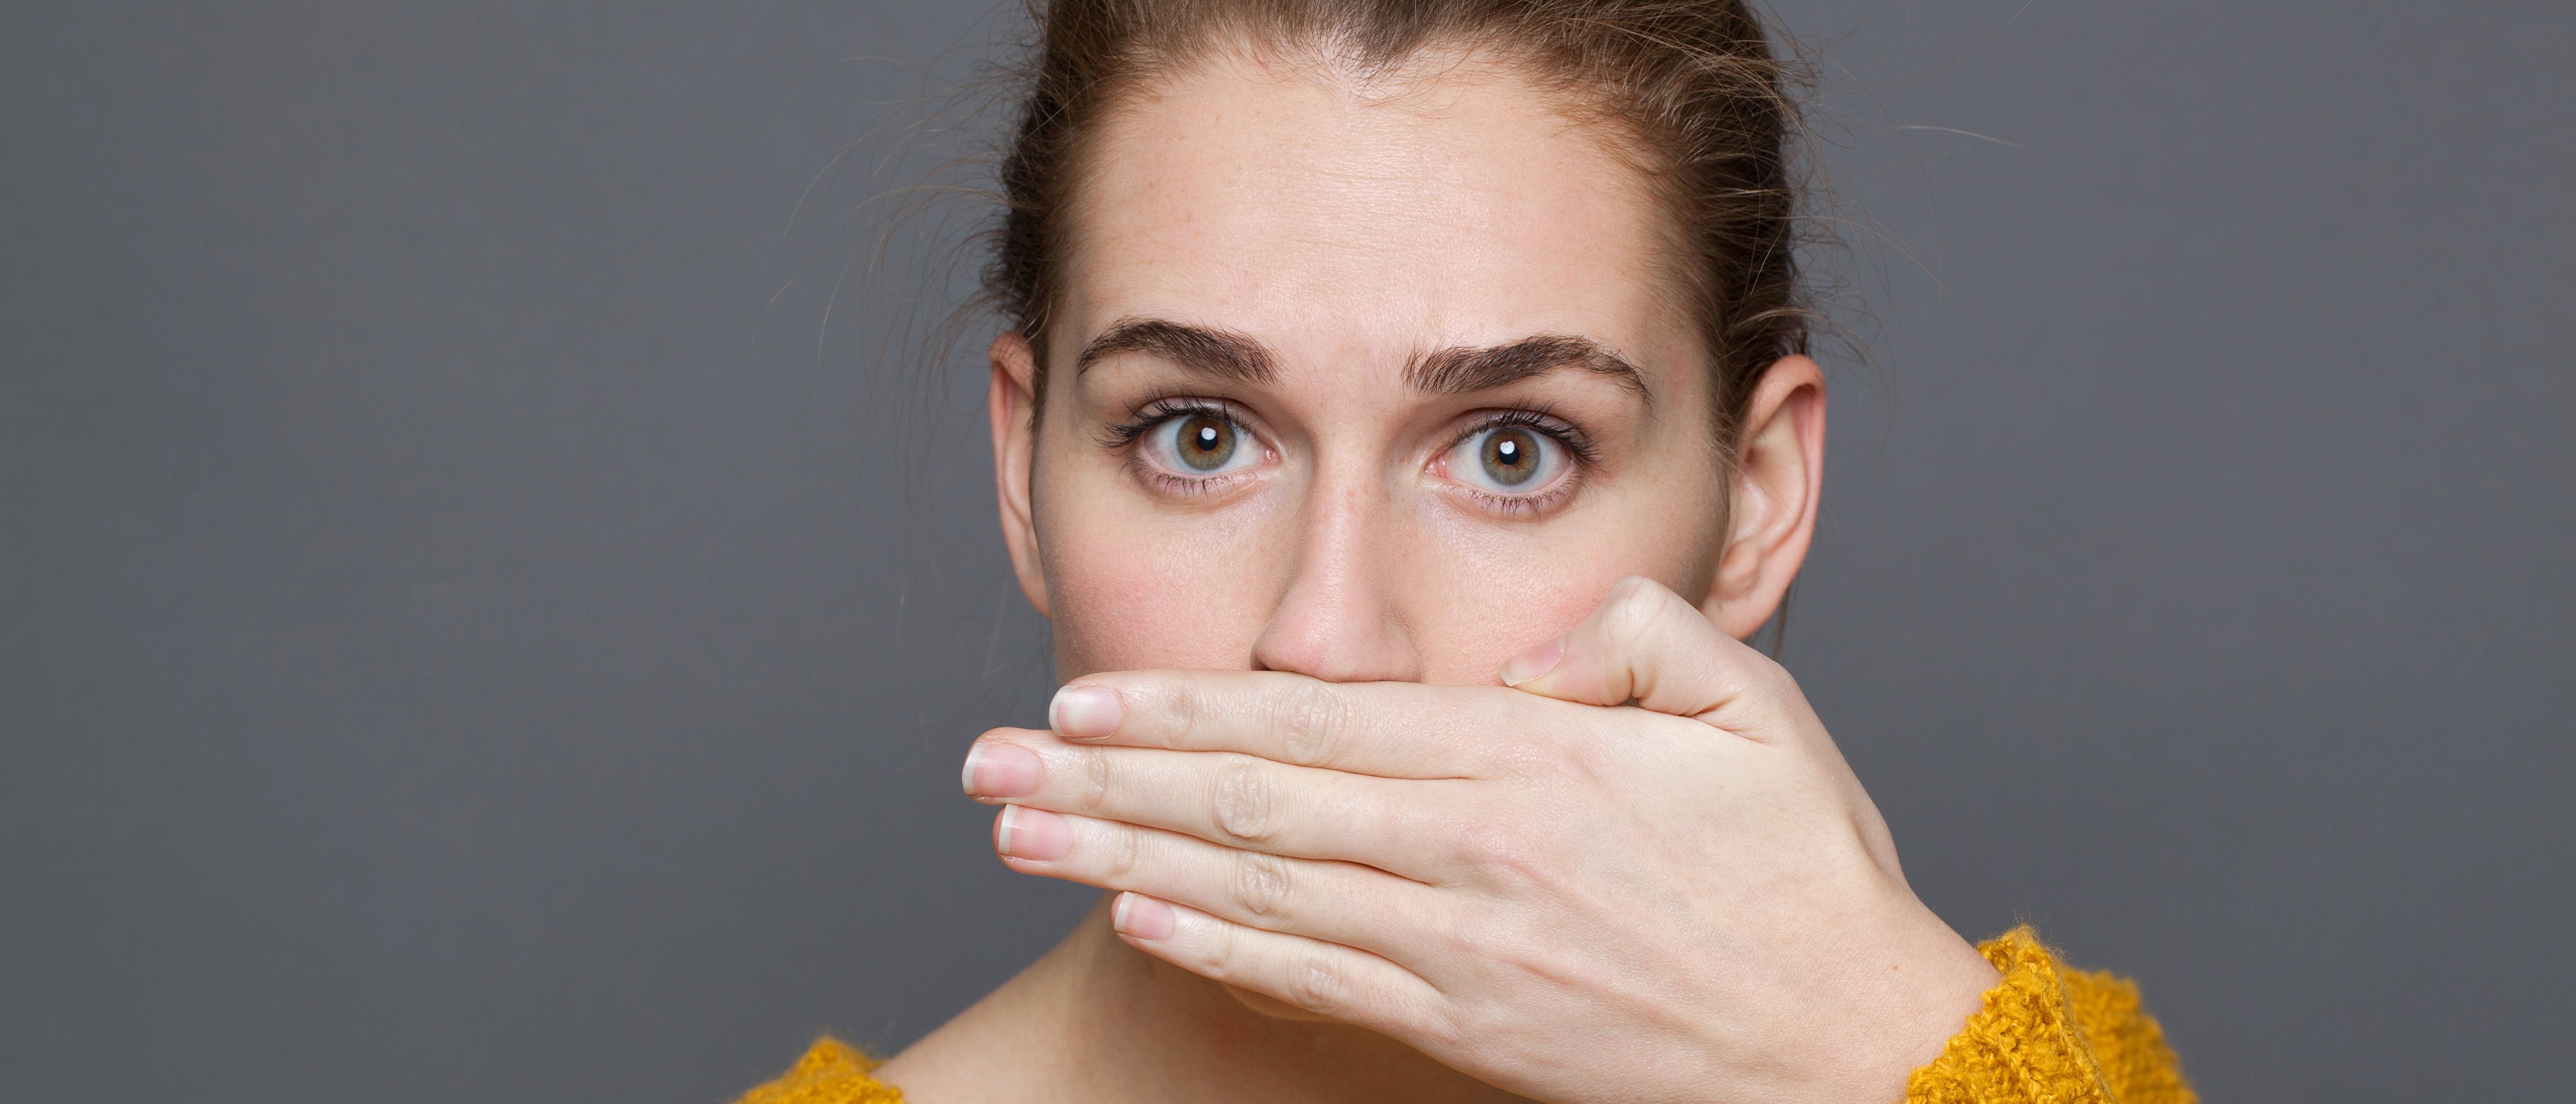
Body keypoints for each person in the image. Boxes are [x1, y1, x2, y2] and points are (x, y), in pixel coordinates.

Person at [740, 1, 2195, 1101]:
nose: (1324, 640)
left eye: (1514, 453)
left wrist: (1886, 1045)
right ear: (1022, 466)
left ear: (1754, 498)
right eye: (1198, 436)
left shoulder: (2009, 1063)